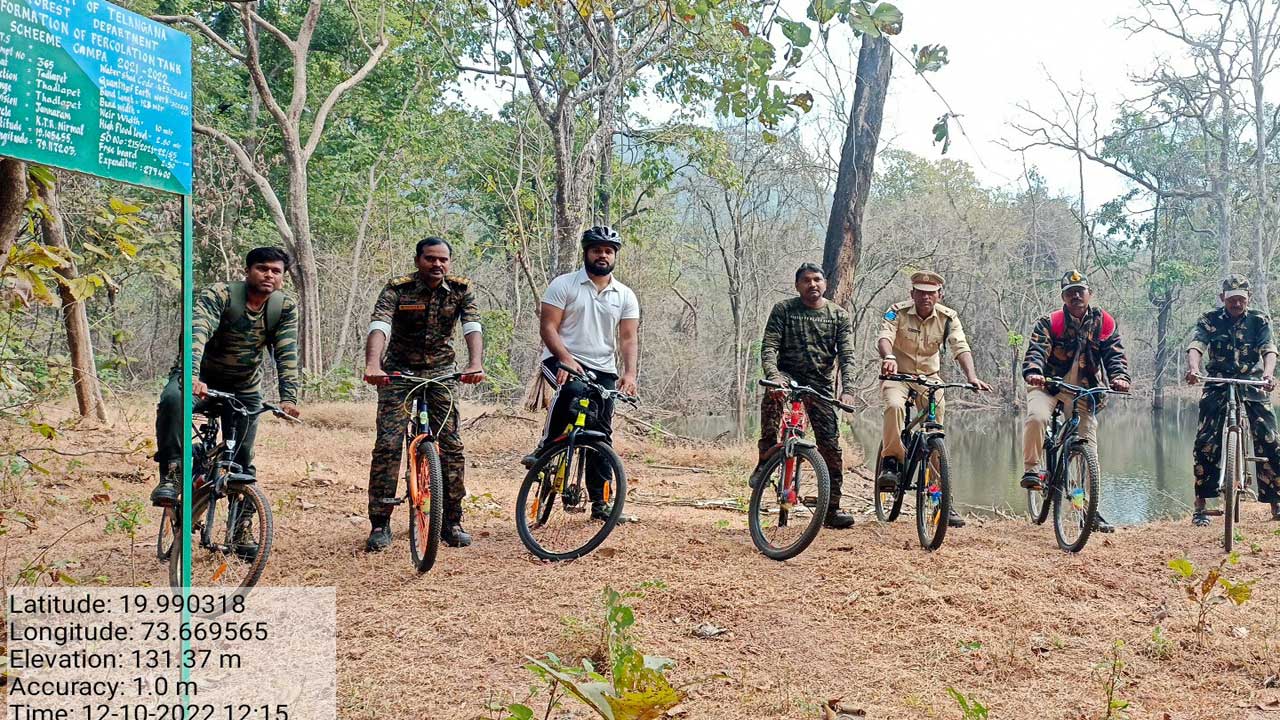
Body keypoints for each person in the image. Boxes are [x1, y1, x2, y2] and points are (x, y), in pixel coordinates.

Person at [151, 247, 302, 507]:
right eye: (262, 268)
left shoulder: (284, 307)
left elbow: (287, 353)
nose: (269, 275)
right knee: (173, 402)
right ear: (247, 271)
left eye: (276, 271)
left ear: (283, 277)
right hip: (199, 379)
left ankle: (240, 528)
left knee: (242, 460)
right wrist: (192, 376)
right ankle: (172, 473)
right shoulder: (220, 294)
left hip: (243, 387)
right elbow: (196, 332)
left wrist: (289, 398)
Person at [363, 237, 485, 552]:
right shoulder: (397, 289)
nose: (437, 265)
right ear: (418, 261)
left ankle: (452, 521)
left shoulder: (461, 289)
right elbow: (380, 325)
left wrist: (475, 363)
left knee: (452, 446)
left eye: (443, 259)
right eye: (430, 259)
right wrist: (373, 364)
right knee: (388, 446)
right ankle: (380, 523)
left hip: (442, 373)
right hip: (399, 373)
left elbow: (472, 326)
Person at [521, 226, 640, 521]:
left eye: (608, 251)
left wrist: (629, 373)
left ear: (614, 256)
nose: (603, 255)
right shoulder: (564, 285)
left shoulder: (624, 295)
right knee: (571, 392)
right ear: (586, 252)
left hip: (603, 368)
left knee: (601, 432)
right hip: (560, 360)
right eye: (597, 250)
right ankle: (546, 447)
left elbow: (628, 338)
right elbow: (548, 327)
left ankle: (601, 504)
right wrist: (565, 358)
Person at [876, 270, 992, 528]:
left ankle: (941, 500)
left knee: (935, 429)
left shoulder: (948, 317)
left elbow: (960, 347)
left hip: (930, 378)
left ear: (940, 294)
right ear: (912, 293)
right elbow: (884, 336)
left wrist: (972, 376)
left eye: (932, 293)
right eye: (921, 292)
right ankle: (892, 461)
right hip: (898, 376)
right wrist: (889, 357)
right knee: (894, 406)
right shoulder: (897, 311)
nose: (926, 297)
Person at [1020, 270, 1130, 533]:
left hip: (1084, 392)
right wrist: (1034, 372)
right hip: (1049, 386)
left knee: (1088, 452)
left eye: (1081, 291)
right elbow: (1036, 350)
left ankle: (1087, 510)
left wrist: (1120, 378)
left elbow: (1114, 355)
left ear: (1089, 294)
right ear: (1063, 297)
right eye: (1070, 292)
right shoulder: (1051, 322)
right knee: (1037, 417)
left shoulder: (1103, 322)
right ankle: (1032, 470)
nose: (1076, 296)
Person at [755, 263, 857, 529]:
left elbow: (847, 356)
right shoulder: (784, 310)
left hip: (820, 384)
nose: (812, 284)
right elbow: (769, 346)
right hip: (787, 374)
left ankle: (831, 509)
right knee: (773, 395)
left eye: (817, 279)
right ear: (797, 285)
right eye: (806, 280)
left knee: (831, 448)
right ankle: (765, 454)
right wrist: (774, 375)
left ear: (825, 283)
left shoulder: (838, 315)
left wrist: (848, 390)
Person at [1185, 274, 1280, 526]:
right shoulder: (1209, 319)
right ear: (1222, 299)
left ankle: (1275, 502)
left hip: (1252, 382)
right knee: (1205, 440)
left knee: (1269, 437)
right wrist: (1194, 369)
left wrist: (1268, 374)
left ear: (1248, 299)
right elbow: (1196, 345)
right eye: (1231, 299)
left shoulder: (1259, 320)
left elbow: (1269, 349)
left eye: (1241, 299)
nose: (1236, 304)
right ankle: (1201, 506)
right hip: (1217, 381)